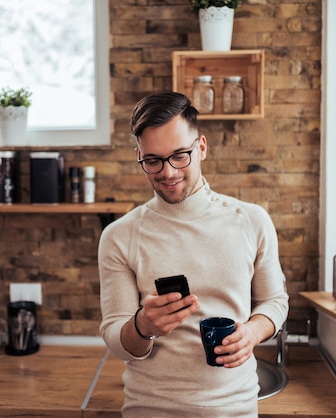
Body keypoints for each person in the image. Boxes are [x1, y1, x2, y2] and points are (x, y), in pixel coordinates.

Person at [98, 91, 289, 417]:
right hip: (151, 410)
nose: (168, 172)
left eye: (180, 155)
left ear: (201, 147)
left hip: (235, 409)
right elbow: (117, 340)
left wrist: (253, 333)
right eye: (153, 160)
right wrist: (143, 325)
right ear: (139, 156)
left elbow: (276, 301)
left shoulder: (251, 220)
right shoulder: (119, 236)